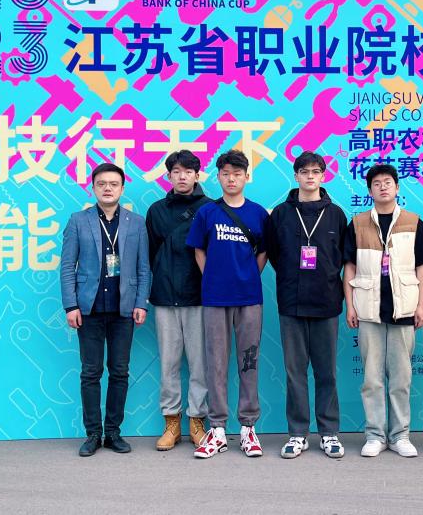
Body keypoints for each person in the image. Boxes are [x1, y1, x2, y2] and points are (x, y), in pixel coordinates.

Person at [59, 163, 151, 457]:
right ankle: (92, 434)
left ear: (122, 188)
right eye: (102, 184)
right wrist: (71, 305)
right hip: (89, 309)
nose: (107, 188)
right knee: (90, 372)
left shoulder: (136, 223)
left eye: (113, 184)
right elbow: (67, 266)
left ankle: (113, 433)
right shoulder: (78, 220)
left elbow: (144, 268)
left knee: (120, 372)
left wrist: (141, 302)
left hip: (124, 309)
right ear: (93, 188)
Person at [186, 149, 270, 458]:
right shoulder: (207, 212)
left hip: (249, 298)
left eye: (237, 174)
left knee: (249, 361)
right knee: (216, 363)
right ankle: (218, 429)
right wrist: (212, 278)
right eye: (225, 174)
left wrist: (247, 276)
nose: (231, 179)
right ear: (218, 177)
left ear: (246, 177)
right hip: (215, 298)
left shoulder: (258, 213)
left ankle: (248, 427)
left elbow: (263, 252)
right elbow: (198, 250)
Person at [342, 164, 423, 458]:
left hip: (404, 308)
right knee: (372, 379)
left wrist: (420, 305)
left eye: (388, 182)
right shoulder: (357, 223)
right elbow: (350, 267)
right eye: (377, 183)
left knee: (401, 379)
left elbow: (422, 267)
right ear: (369, 190)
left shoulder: (414, 222)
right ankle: (375, 435)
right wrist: (350, 304)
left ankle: (400, 435)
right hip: (369, 309)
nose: (382, 187)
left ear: (397, 187)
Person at [265, 151, 347, 459]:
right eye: (304, 171)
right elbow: (274, 254)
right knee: (295, 372)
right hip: (292, 302)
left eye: (315, 171)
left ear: (324, 176)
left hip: (327, 302)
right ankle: (297, 433)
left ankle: (329, 432)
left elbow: (342, 257)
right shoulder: (280, 214)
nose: (310, 176)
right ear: (296, 175)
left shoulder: (336, 214)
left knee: (327, 372)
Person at [145, 150, 212, 451]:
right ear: (168, 175)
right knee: (168, 364)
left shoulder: (210, 208)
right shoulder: (156, 211)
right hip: (164, 297)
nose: (182, 176)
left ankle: (197, 421)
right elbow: (149, 255)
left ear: (197, 175)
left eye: (188, 171)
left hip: (200, 298)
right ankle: (171, 423)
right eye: (176, 171)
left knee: (200, 364)